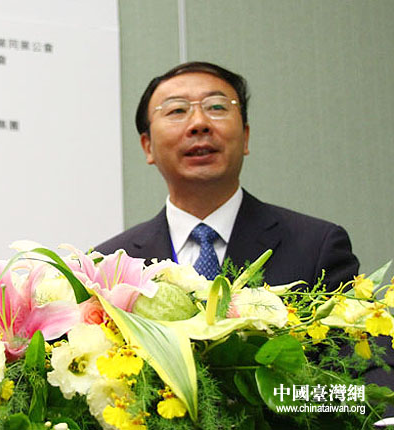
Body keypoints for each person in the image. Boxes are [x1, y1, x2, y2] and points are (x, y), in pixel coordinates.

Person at [96, 61, 359, 290]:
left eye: (217, 107)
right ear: (147, 147)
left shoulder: (316, 246)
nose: (199, 123)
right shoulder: (109, 266)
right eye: (177, 110)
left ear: (245, 137)